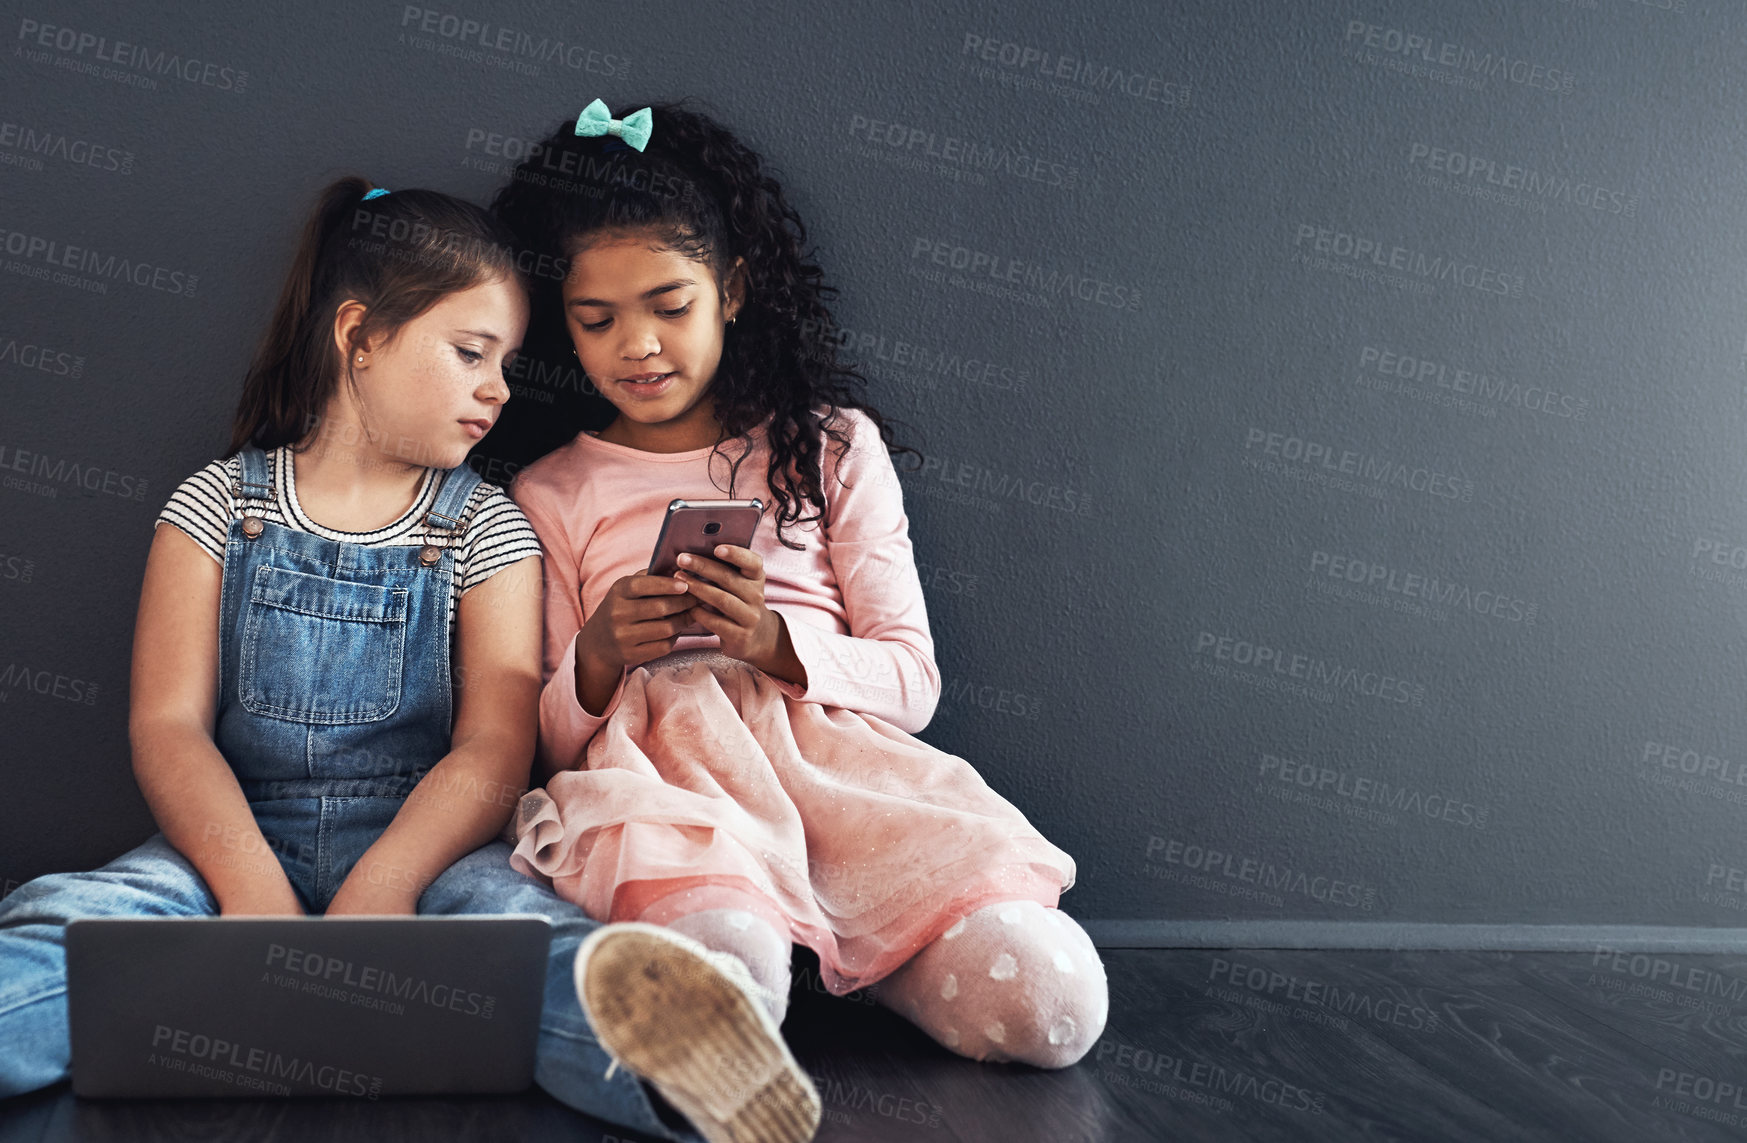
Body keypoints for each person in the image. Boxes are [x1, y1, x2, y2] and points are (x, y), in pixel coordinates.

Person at [0, 178, 750, 1143]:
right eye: (471, 353)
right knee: (74, 924)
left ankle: (690, 1064)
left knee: (536, 947)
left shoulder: (490, 527)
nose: (500, 388)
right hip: (226, 840)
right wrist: (248, 888)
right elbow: (167, 725)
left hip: (432, 851)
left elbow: (492, 747)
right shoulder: (217, 507)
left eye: (509, 361)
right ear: (359, 335)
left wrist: (390, 884)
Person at [489, 99, 1110, 1113]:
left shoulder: (829, 446)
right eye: (596, 321)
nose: (636, 346)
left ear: (731, 291)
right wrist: (599, 659)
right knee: (722, 966)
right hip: (669, 792)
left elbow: (911, 683)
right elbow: (546, 745)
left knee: (1051, 1007)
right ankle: (753, 981)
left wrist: (780, 646)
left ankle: (874, 954)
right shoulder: (551, 490)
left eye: (668, 305)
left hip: (846, 783)